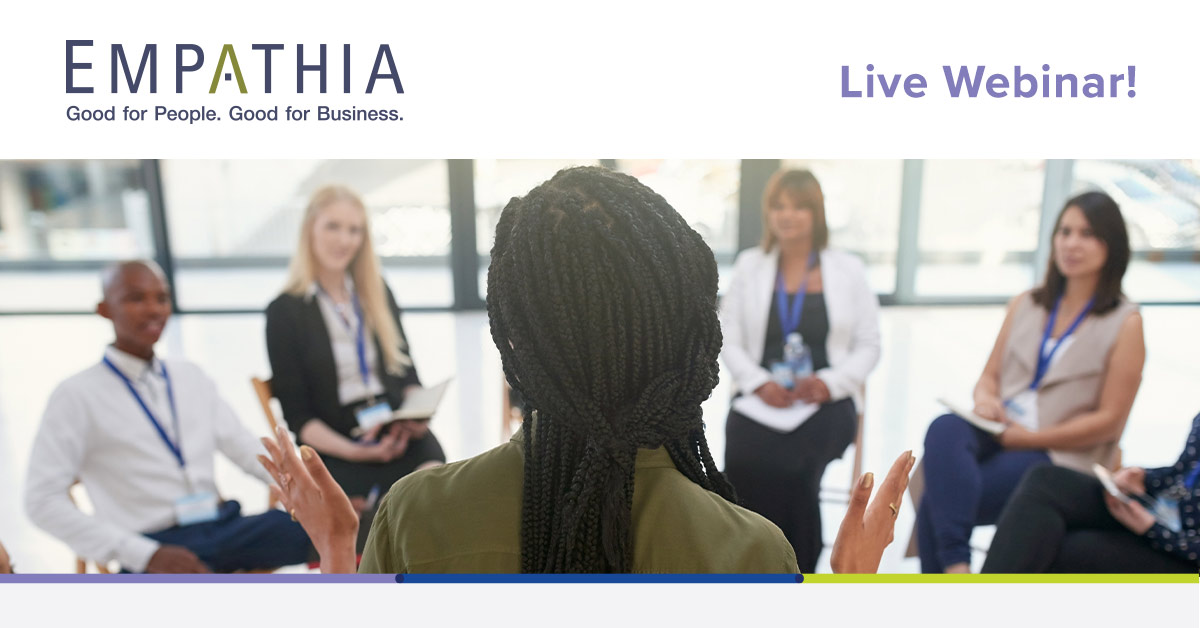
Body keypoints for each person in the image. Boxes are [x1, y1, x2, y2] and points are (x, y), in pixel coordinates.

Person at [260, 166, 914, 574]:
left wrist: (341, 563)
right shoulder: (751, 553)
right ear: (689, 337)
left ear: (515, 339)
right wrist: (852, 584)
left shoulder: (413, 518)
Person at [24, 261, 310, 573]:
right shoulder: (76, 395)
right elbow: (41, 501)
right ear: (105, 310)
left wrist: (314, 496)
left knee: (343, 532)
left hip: (224, 526)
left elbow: (245, 448)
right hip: (151, 542)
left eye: (162, 298)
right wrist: (145, 554)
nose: (154, 310)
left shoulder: (190, 376)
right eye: (136, 299)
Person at [913, 191, 1144, 573]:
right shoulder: (1027, 303)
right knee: (944, 428)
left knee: (939, 496)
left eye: (1087, 234)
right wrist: (986, 400)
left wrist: (1028, 439)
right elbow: (989, 378)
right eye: (1065, 231)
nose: (1071, 243)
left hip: (1058, 453)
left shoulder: (1126, 322)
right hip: (1001, 428)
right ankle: (958, 571)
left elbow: (1110, 422)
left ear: (1111, 245)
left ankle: (951, 574)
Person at [719, 169, 882, 572]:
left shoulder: (848, 270)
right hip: (762, 398)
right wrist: (757, 383)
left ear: (817, 213)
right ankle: (747, 566)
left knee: (792, 469)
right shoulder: (750, 266)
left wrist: (828, 383)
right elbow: (728, 338)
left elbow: (869, 346)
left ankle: (798, 571)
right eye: (778, 206)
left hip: (824, 402)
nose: (787, 216)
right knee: (744, 456)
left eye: (798, 207)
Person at [266, 185, 445, 549]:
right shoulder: (285, 312)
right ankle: (381, 558)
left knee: (433, 477)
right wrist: (357, 451)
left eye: (354, 230)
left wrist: (415, 415)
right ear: (310, 230)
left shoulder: (376, 291)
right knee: (387, 513)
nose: (344, 240)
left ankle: (396, 552)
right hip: (335, 444)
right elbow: (300, 419)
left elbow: (407, 374)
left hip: (392, 432)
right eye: (333, 226)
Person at [982, 411, 1200, 573]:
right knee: (1048, 481)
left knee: (1070, 548)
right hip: (1162, 516)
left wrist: (1153, 530)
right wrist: (1146, 478)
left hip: (1183, 551)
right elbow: (1184, 472)